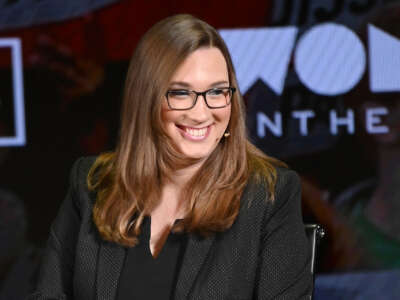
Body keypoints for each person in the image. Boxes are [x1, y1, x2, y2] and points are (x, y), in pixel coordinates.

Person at [28, 14, 312, 299]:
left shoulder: (268, 195)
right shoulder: (91, 184)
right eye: (180, 93)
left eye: (216, 92)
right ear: (145, 99)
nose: (201, 113)